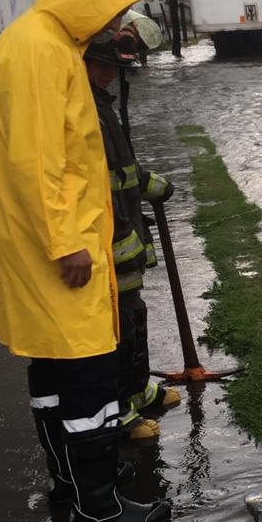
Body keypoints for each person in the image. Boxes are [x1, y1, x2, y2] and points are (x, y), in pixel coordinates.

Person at [0, 0, 172, 522]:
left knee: (55, 376)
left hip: (58, 243)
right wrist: (66, 242)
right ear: (87, 1)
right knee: (87, 377)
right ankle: (99, 505)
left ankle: (70, 486)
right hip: (62, 250)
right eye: (111, 13)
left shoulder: (46, 43)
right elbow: (38, 161)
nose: (115, 28)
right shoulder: (40, 50)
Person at [82, 28, 181, 441]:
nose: (110, 73)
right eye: (104, 65)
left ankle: (139, 391)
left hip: (125, 234)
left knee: (134, 318)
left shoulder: (101, 105)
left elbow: (121, 170)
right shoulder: (83, 109)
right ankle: (121, 412)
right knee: (117, 329)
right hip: (109, 241)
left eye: (115, 67)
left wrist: (150, 184)